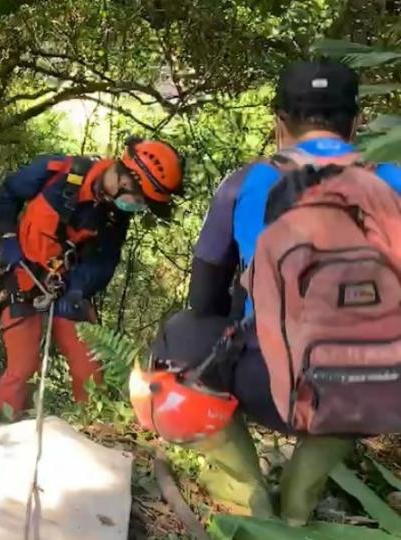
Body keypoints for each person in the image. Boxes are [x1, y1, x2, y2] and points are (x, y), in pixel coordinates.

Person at [144, 60, 401, 525]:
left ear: (280, 122)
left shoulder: (245, 184)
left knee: (179, 340)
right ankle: (302, 494)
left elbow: (204, 300)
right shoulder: (395, 183)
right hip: (371, 392)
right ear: (358, 121)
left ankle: (249, 490)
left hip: (271, 382)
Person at [0, 137, 184, 418]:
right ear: (126, 179)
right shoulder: (56, 171)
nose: (138, 206)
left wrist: (75, 288)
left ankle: (89, 431)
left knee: (90, 370)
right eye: (141, 199)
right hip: (24, 274)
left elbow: (103, 263)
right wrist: (8, 237)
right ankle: (3, 426)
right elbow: (7, 194)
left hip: (69, 285)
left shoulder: (114, 218)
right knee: (22, 366)